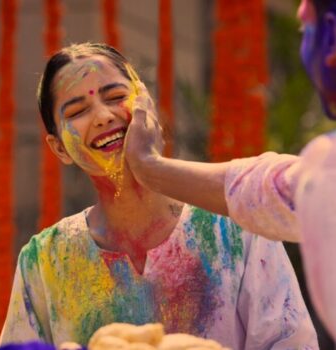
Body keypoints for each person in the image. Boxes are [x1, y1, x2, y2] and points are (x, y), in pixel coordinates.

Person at [0, 42, 318, 349]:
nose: (102, 116)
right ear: (58, 148)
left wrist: (151, 165)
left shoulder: (235, 226)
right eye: (78, 110)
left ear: (145, 104)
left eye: (115, 96)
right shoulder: (44, 261)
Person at [124, 0, 336, 342]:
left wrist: (149, 166)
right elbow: (265, 189)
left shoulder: (323, 169)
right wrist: (149, 167)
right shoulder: (43, 253)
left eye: (303, 30)